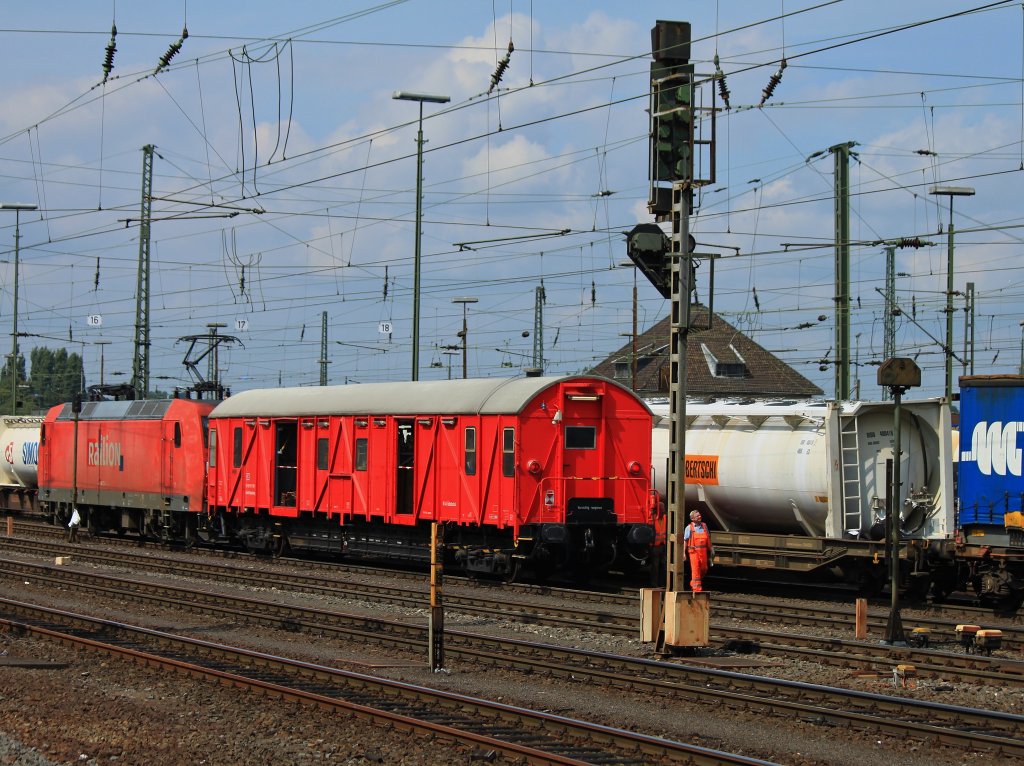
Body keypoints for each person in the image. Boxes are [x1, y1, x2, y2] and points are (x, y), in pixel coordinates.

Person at [683, 509, 713, 592]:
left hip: (703, 552)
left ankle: (693, 583)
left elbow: (708, 538)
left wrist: (711, 549)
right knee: (695, 570)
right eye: (697, 516)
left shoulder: (704, 526)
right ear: (692, 519)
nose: (700, 517)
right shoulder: (689, 528)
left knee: (704, 569)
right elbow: (685, 541)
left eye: (700, 515)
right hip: (694, 552)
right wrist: (684, 553)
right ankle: (696, 589)